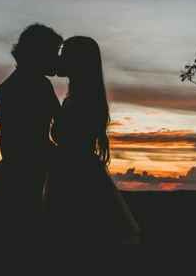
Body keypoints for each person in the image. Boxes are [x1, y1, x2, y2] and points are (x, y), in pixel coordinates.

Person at [44, 36, 141, 244]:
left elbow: (70, 143)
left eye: (65, 55)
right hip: (77, 171)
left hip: (74, 175)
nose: (59, 59)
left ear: (77, 61)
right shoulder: (82, 97)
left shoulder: (80, 101)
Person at [0, 23, 63, 239]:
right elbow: (42, 139)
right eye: (54, 53)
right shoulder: (35, 86)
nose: (57, 59)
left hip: (17, 178)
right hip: (21, 183)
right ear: (39, 53)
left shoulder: (30, 84)